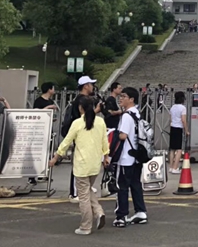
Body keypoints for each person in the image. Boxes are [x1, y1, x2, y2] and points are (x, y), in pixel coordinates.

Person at [49, 96, 109, 235]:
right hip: (95, 164)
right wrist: (106, 156)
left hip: (82, 165)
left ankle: (86, 226)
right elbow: (104, 141)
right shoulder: (100, 121)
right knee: (87, 190)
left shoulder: (77, 123)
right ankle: (99, 212)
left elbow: (66, 142)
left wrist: (56, 157)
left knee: (83, 197)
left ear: (80, 108)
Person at [113, 87, 148, 228]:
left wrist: (112, 133)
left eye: (124, 96)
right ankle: (140, 212)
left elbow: (123, 135)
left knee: (122, 187)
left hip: (126, 157)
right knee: (135, 185)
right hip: (137, 156)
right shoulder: (137, 113)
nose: (120, 98)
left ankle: (121, 216)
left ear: (131, 99)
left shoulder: (126, 116)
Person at [63, 76, 100, 202]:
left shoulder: (83, 99)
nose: (93, 87)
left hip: (84, 135)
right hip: (79, 135)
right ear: (85, 86)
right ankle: (74, 192)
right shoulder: (81, 100)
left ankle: (84, 187)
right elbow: (83, 118)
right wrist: (96, 111)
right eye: (91, 84)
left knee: (85, 161)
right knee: (78, 163)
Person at [169, 92, 189, 174]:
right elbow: (183, 120)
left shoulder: (172, 107)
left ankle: (171, 167)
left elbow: (170, 119)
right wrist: (186, 130)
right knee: (179, 150)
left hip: (172, 127)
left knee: (172, 149)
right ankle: (175, 167)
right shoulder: (183, 108)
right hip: (179, 128)